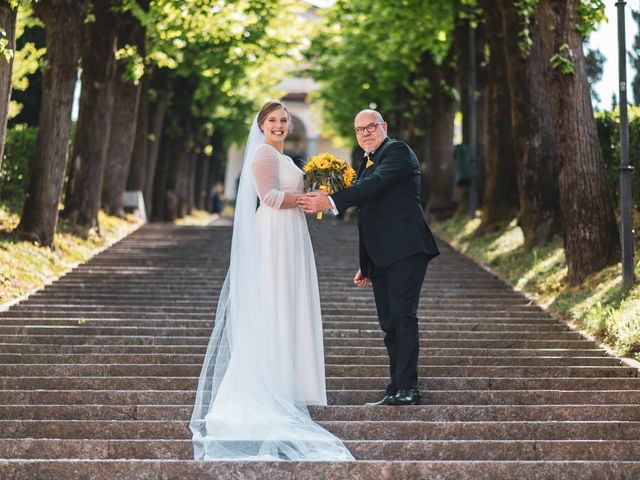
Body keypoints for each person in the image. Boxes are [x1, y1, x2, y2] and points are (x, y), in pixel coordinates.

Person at [190, 101, 354, 461]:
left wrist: (320, 190)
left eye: (283, 120)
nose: (278, 126)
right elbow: (270, 197)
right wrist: (309, 199)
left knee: (289, 301)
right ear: (262, 125)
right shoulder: (264, 155)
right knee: (275, 302)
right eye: (272, 121)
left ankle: (287, 380)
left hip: (292, 233)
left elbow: (286, 190)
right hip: (275, 233)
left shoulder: (287, 160)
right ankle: (269, 384)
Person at [297, 109, 440, 406]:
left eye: (370, 127)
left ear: (384, 126)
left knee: (403, 317)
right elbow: (369, 215)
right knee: (389, 323)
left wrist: (333, 200)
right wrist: (367, 263)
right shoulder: (367, 161)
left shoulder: (398, 152)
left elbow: (372, 187)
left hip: (406, 250)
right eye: (359, 129)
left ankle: (409, 388)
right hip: (382, 256)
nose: (365, 133)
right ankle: (395, 387)